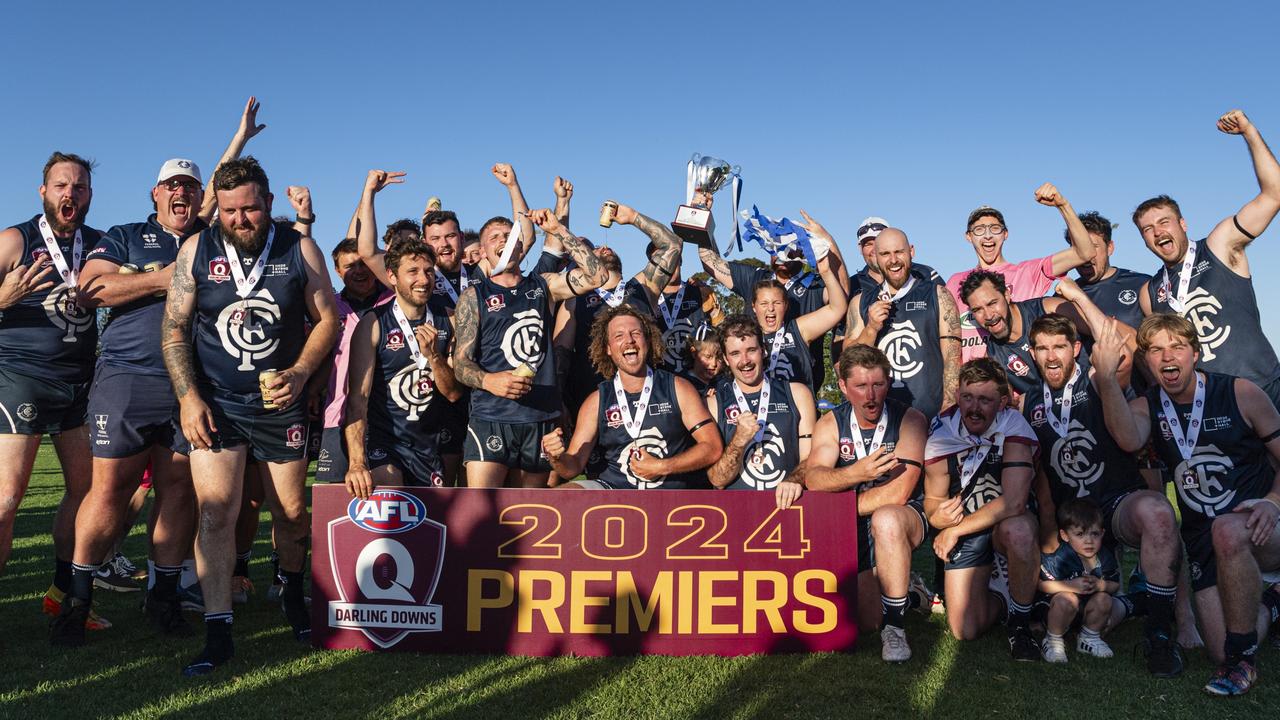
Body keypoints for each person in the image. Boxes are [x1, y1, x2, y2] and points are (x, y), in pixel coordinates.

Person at [160, 157, 339, 676]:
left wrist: (303, 371)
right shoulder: (197, 248)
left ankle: (291, 591)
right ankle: (219, 630)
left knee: (290, 514)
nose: (241, 220)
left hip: (280, 403)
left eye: (252, 209)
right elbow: (174, 328)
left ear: (268, 204)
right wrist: (189, 397)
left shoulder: (298, 247)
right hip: (217, 403)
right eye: (231, 210)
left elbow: (327, 318)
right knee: (216, 512)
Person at [1094, 313, 1280, 696]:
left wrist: (1273, 502)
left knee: (1229, 527)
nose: (1167, 357)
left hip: (1261, 526)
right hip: (1206, 541)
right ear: (1146, 360)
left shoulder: (1240, 392)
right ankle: (1274, 602)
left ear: (1195, 353)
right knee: (1216, 646)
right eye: (1156, 350)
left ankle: (1242, 662)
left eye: (1176, 347)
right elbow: (1129, 439)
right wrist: (1108, 378)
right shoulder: (1151, 405)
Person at [1023, 312, 1189, 675]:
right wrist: (1050, 529)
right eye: (1042, 348)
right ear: (1032, 353)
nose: (1052, 357)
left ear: (1077, 349)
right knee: (1081, 609)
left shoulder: (1099, 380)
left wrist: (1078, 301)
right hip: (1072, 521)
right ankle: (1133, 604)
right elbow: (1038, 475)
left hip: (1115, 503)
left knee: (1159, 512)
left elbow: (1121, 356)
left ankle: (1161, 633)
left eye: (1060, 347)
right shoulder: (1029, 401)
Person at [0, 152, 102, 628]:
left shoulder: (100, 245)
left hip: (79, 385)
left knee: (86, 491)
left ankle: (62, 591)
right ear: (43, 191)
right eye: (61, 185)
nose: (70, 194)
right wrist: (3, 297)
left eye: (79, 187)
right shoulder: (15, 240)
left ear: (89, 195)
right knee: (6, 499)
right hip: (20, 378)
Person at [452, 194, 609, 488]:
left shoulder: (544, 285)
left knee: (528, 514)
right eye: (494, 237)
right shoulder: (474, 296)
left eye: (509, 234)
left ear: (521, 244)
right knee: (483, 510)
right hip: (491, 416)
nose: (503, 239)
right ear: (483, 252)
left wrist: (558, 230)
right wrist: (489, 381)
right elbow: (460, 363)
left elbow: (598, 275)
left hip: (540, 418)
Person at [1136, 109, 1280, 410]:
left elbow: (1274, 195)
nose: (1157, 231)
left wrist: (1249, 133)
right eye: (1147, 229)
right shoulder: (1150, 292)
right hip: (1211, 407)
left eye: (1164, 222)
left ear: (1183, 224)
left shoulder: (1219, 244)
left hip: (1265, 388)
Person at [803, 345, 932, 662]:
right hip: (854, 520)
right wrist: (856, 472)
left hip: (902, 517)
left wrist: (839, 508)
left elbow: (898, 494)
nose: (871, 395)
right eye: (861, 386)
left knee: (886, 518)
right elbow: (814, 479)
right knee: (866, 621)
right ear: (844, 387)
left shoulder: (910, 420)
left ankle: (896, 628)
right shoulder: (831, 423)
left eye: (878, 384)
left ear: (888, 383)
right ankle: (912, 596)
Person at [923, 358, 1041, 660]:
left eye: (985, 400)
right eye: (967, 397)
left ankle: (1020, 625)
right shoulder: (942, 433)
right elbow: (933, 501)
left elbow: (1014, 502)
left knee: (1019, 529)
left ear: (1002, 402)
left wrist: (954, 530)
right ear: (957, 394)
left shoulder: (1013, 425)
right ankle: (1007, 599)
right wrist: (938, 517)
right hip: (968, 526)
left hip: (1005, 524)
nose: (974, 408)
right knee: (965, 628)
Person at [542, 304, 722, 489]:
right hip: (615, 489)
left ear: (648, 340)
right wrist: (557, 458)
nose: (629, 341)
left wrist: (663, 466)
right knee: (564, 494)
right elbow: (573, 466)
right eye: (619, 336)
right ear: (608, 349)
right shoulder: (596, 401)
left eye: (635, 333)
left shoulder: (678, 387)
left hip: (670, 493)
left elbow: (712, 447)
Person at [344, 240, 461, 498]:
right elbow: (357, 400)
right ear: (391, 276)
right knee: (392, 507)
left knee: (430, 530)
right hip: (387, 444)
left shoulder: (449, 319)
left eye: (429, 271)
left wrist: (434, 357)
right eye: (413, 271)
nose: (423, 279)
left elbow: (453, 393)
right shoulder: (372, 324)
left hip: (432, 445)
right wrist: (356, 463)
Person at [699, 207, 851, 390]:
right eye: (776, 248)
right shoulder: (757, 278)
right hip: (750, 388)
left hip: (800, 389)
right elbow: (710, 261)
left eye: (788, 250)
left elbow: (842, 294)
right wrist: (701, 214)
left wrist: (828, 241)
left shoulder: (815, 285)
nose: (781, 256)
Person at [946, 184, 1097, 360]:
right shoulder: (955, 282)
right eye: (979, 230)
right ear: (969, 237)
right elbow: (947, 338)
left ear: (1005, 234)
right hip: (970, 383)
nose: (987, 236)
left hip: (1020, 382)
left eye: (995, 228)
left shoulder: (1028, 272)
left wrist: (1062, 206)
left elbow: (1085, 252)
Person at [843, 227, 962, 420]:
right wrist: (871, 328)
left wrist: (948, 406)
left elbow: (953, 356)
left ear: (911, 251)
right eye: (885, 254)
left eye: (899, 252)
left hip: (931, 415)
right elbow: (848, 360)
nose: (893, 260)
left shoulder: (938, 294)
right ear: (876, 257)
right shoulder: (861, 301)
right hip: (881, 418)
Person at [959, 272, 1130, 400]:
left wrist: (1080, 297)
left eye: (992, 303)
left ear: (1007, 295)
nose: (988, 315)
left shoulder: (1048, 308)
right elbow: (1009, 406)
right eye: (978, 310)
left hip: (1100, 399)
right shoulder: (995, 356)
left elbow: (1116, 342)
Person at [706, 315, 815, 501]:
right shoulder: (713, 403)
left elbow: (813, 458)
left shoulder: (797, 393)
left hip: (788, 506)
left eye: (751, 350)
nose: (745, 360)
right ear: (725, 358)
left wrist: (795, 480)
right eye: (735, 354)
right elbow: (717, 480)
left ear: (763, 351)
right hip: (735, 512)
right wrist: (739, 440)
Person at [313, 234, 390, 486]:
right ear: (337, 271)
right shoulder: (328, 309)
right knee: (334, 499)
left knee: (390, 498)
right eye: (349, 266)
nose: (358, 271)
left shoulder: (393, 301)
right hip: (337, 413)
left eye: (363, 263)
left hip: (387, 417)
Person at [830, 216, 942, 363]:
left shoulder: (924, 273)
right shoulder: (852, 285)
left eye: (878, 241)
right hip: (874, 375)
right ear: (860, 248)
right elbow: (841, 339)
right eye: (867, 244)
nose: (873, 248)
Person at [1037, 499, 1127, 663]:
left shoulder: (1104, 557)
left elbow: (1115, 585)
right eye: (1080, 534)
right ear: (1065, 535)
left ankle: (1089, 637)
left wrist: (1101, 585)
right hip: (1057, 611)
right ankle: (1052, 640)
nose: (1088, 540)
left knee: (1105, 598)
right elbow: (1041, 585)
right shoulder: (1060, 557)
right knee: (1067, 598)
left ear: (1102, 533)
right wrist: (1069, 586)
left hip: (1086, 612)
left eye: (1094, 534)